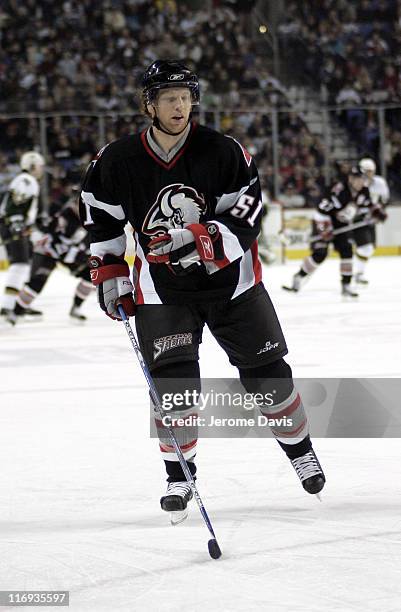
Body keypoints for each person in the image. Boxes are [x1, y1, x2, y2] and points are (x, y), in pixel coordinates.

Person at [80, 60, 325, 524]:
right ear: (148, 105)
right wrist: (111, 272)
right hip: (163, 292)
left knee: (268, 376)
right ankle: (179, 473)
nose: (179, 105)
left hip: (234, 286)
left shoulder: (224, 151)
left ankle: (301, 453)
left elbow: (249, 217)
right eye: (168, 97)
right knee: (174, 389)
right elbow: (104, 223)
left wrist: (198, 237)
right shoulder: (116, 161)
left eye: (185, 96)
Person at [283, 166, 381, 297]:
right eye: (357, 179)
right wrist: (324, 229)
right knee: (320, 254)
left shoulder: (364, 191)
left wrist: (377, 212)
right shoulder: (339, 191)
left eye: (362, 179)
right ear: (350, 179)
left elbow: (368, 205)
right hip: (323, 221)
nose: (361, 182)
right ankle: (299, 277)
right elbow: (321, 212)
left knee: (346, 250)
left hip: (341, 225)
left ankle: (346, 285)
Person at [6, 185, 93, 325]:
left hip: (65, 252)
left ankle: (76, 308)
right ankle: (15, 313)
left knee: (90, 275)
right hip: (47, 251)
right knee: (37, 282)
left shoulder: (87, 219)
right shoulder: (66, 216)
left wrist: (82, 254)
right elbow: (56, 241)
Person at [0, 151, 45, 321]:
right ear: (32, 165)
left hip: (15, 225)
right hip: (13, 226)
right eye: (39, 166)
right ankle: (7, 306)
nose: (41, 169)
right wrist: (17, 225)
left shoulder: (24, 180)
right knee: (19, 265)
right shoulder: (27, 180)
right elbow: (14, 205)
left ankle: (15, 303)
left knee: (23, 265)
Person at [354, 158, 389, 284]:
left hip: (371, 218)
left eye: (371, 171)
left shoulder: (379, 182)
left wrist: (379, 213)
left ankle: (358, 271)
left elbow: (384, 200)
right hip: (357, 218)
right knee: (365, 247)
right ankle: (357, 273)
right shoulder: (357, 183)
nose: (370, 174)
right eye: (367, 171)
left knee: (371, 248)